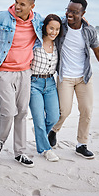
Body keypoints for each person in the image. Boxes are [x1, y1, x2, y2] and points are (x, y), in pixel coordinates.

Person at [48, 0, 99, 159]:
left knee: (86, 110)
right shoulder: (61, 26)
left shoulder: (89, 31)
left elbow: (98, 51)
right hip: (66, 77)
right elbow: (46, 24)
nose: (70, 14)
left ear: (83, 13)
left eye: (75, 12)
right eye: (68, 10)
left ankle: (81, 144)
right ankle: (53, 131)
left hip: (84, 77)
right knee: (64, 111)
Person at [0, 0, 43, 167]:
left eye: (22, 4)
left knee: (22, 112)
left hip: (26, 71)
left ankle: (20, 152)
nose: (17, 6)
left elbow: (55, 24)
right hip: (3, 71)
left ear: (31, 5)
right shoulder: (2, 17)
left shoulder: (38, 19)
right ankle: (1, 138)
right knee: (9, 111)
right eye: (16, 2)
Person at [29, 14, 62, 162]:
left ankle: (39, 133)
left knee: (54, 116)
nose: (54, 32)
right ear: (44, 27)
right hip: (34, 83)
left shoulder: (58, 44)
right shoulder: (35, 41)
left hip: (50, 83)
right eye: (51, 28)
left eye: (57, 29)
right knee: (39, 119)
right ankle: (46, 149)